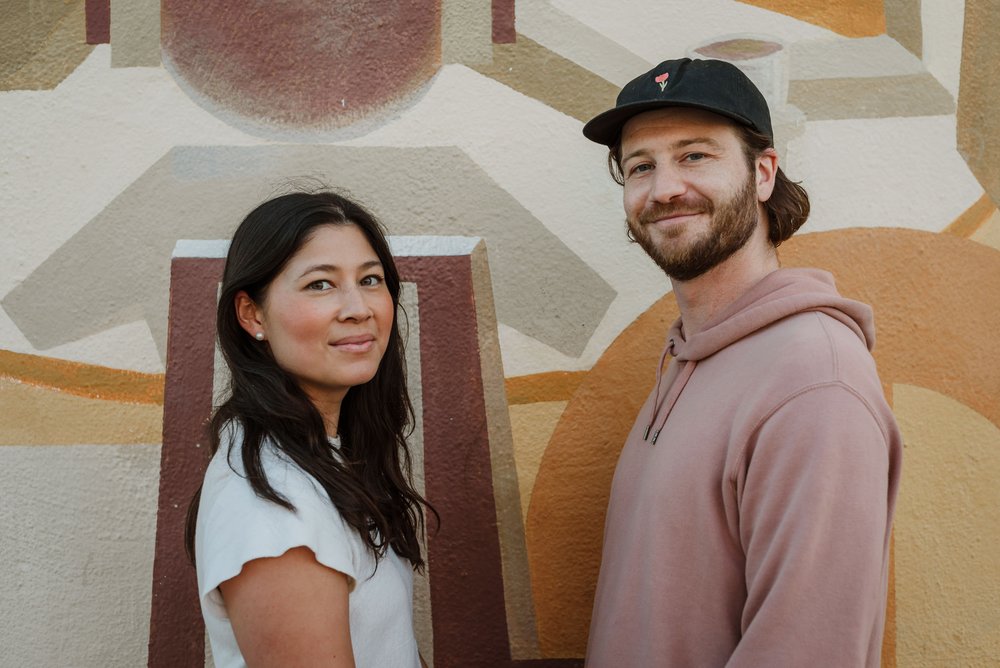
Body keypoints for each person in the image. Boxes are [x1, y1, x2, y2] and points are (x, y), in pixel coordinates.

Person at [581, 58, 902, 666]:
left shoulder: (814, 382)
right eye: (640, 166)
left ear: (761, 173)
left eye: (695, 155)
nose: (665, 187)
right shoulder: (689, 356)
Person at [184, 190, 434, 667]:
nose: (358, 307)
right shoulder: (275, 512)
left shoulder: (323, 454)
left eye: (370, 279)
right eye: (320, 284)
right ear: (252, 314)